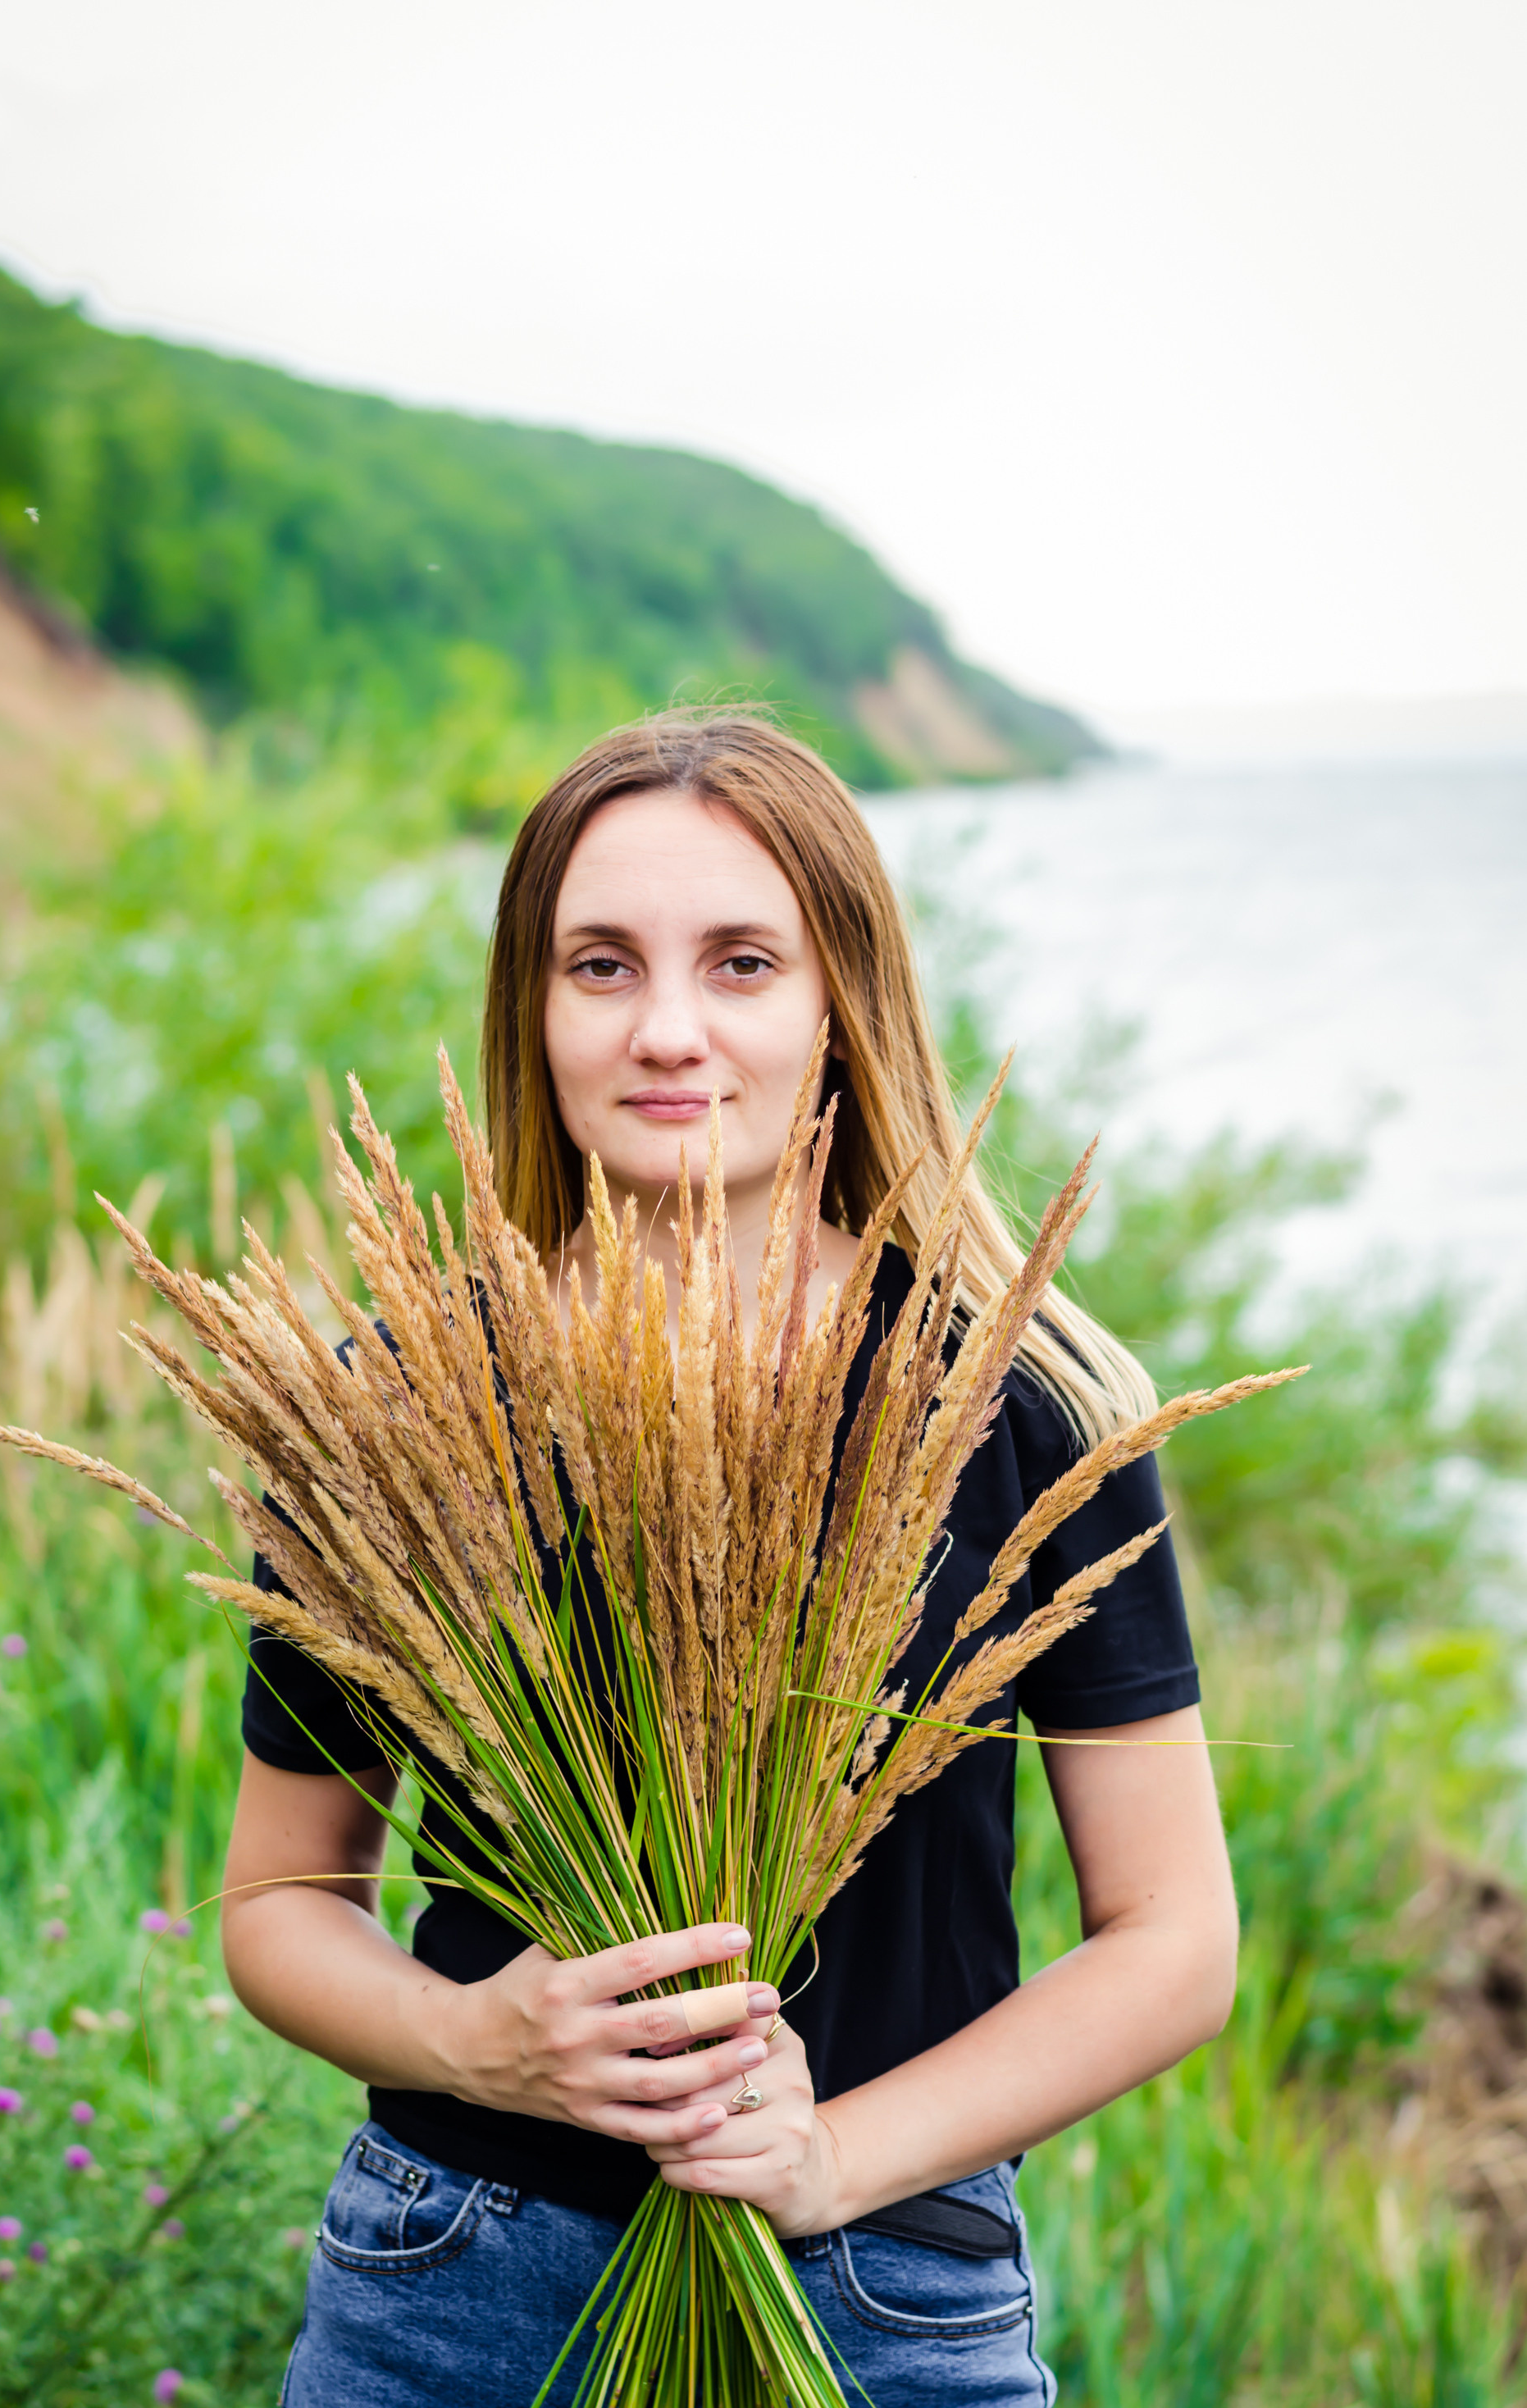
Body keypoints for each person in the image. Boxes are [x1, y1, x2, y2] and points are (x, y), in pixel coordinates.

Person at [225, 712, 1239, 2407]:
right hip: (458, 2274)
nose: (668, 1029)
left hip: (883, 2288)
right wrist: (482, 2039)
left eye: (742, 963)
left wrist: (834, 2157)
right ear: (533, 1008)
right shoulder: (405, 1397)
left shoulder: (1023, 1396)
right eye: (601, 964)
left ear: (840, 996)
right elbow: (279, 1900)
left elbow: (1173, 1942)